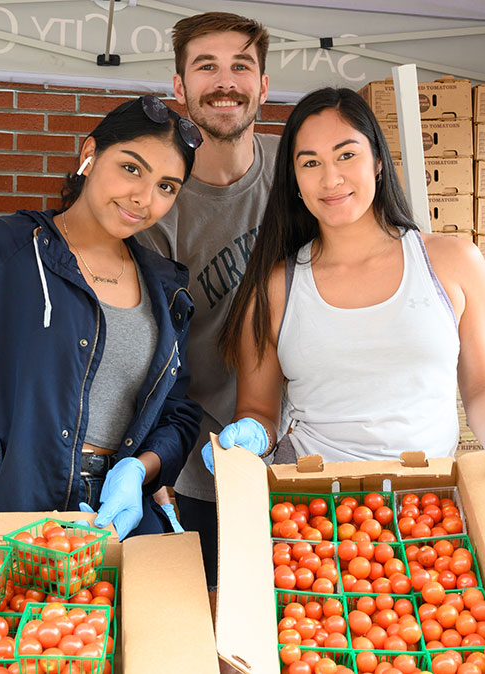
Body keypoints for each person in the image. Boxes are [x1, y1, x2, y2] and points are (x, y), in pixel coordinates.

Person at [0, 95, 205, 581]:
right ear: (89, 155)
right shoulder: (0, 250)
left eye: (166, 186)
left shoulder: (166, 287)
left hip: (115, 526)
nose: (144, 198)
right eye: (131, 169)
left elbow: (176, 414)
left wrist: (140, 471)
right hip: (6, 510)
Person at [208, 87, 485, 480]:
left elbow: (482, 388)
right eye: (310, 163)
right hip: (310, 515)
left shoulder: (454, 262)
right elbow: (260, 413)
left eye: (346, 155)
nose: (330, 178)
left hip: (428, 509)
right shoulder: (275, 288)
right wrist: (251, 434)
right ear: (294, 180)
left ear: (378, 162)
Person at [135, 11, 276, 590]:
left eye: (241, 66)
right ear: (179, 87)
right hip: (198, 467)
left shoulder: (302, 174)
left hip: (301, 459)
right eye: (206, 66)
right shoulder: (157, 200)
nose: (226, 82)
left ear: (263, 86)